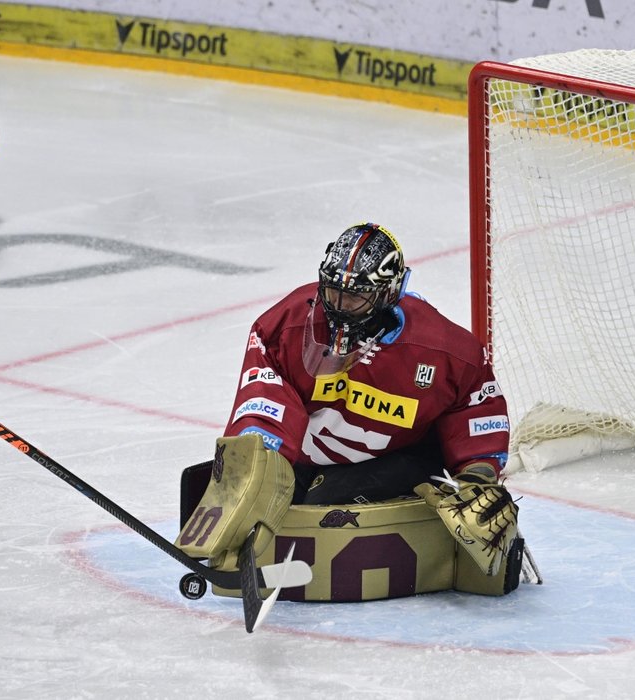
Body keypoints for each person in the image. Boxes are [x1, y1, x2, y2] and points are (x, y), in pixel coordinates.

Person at [176, 222, 518, 579]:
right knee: (265, 485)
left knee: (321, 503)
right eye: (332, 291)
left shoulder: (445, 349)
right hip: (309, 456)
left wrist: (478, 474)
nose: (338, 305)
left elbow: (476, 405)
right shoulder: (288, 324)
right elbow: (265, 397)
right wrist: (259, 460)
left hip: (397, 457)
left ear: (388, 293)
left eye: (355, 296)